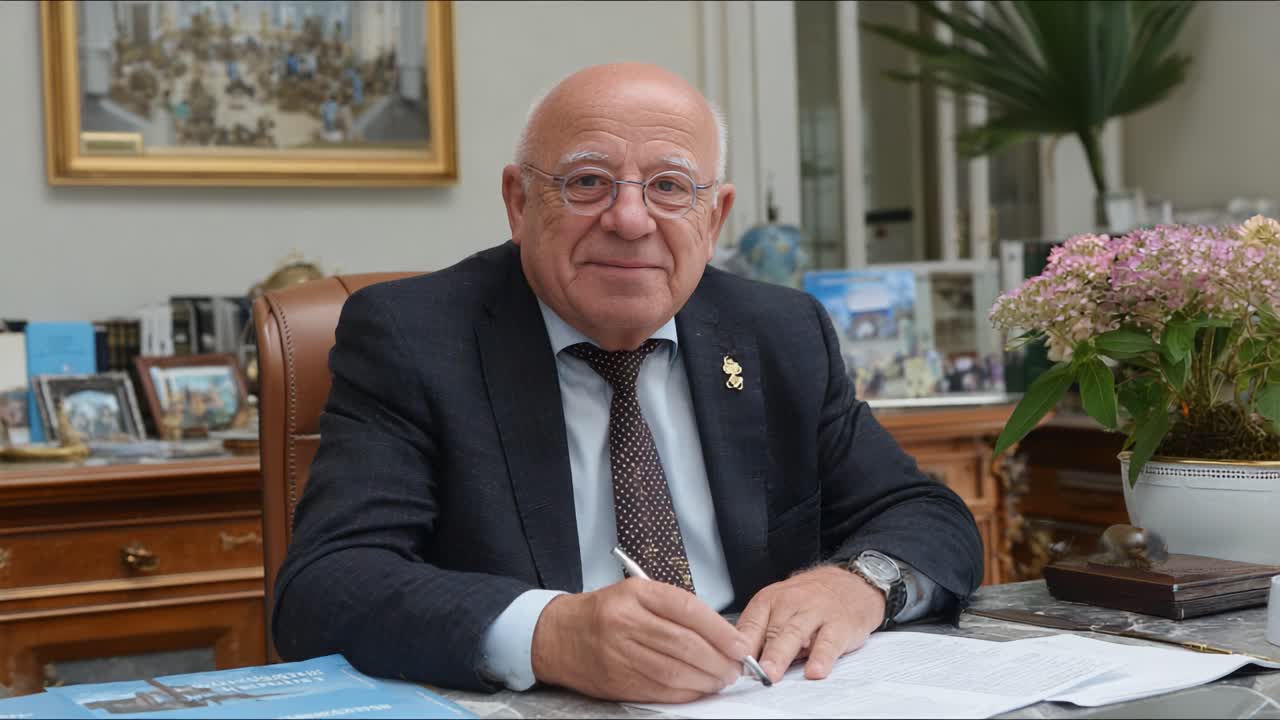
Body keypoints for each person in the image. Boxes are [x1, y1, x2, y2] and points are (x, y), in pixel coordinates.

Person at [273, 63, 983, 703]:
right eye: (587, 182)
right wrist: (552, 633)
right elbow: (327, 584)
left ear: (716, 216)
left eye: (671, 187)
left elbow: (930, 516)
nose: (631, 219)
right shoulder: (412, 335)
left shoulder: (780, 332)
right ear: (519, 202)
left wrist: (859, 585)